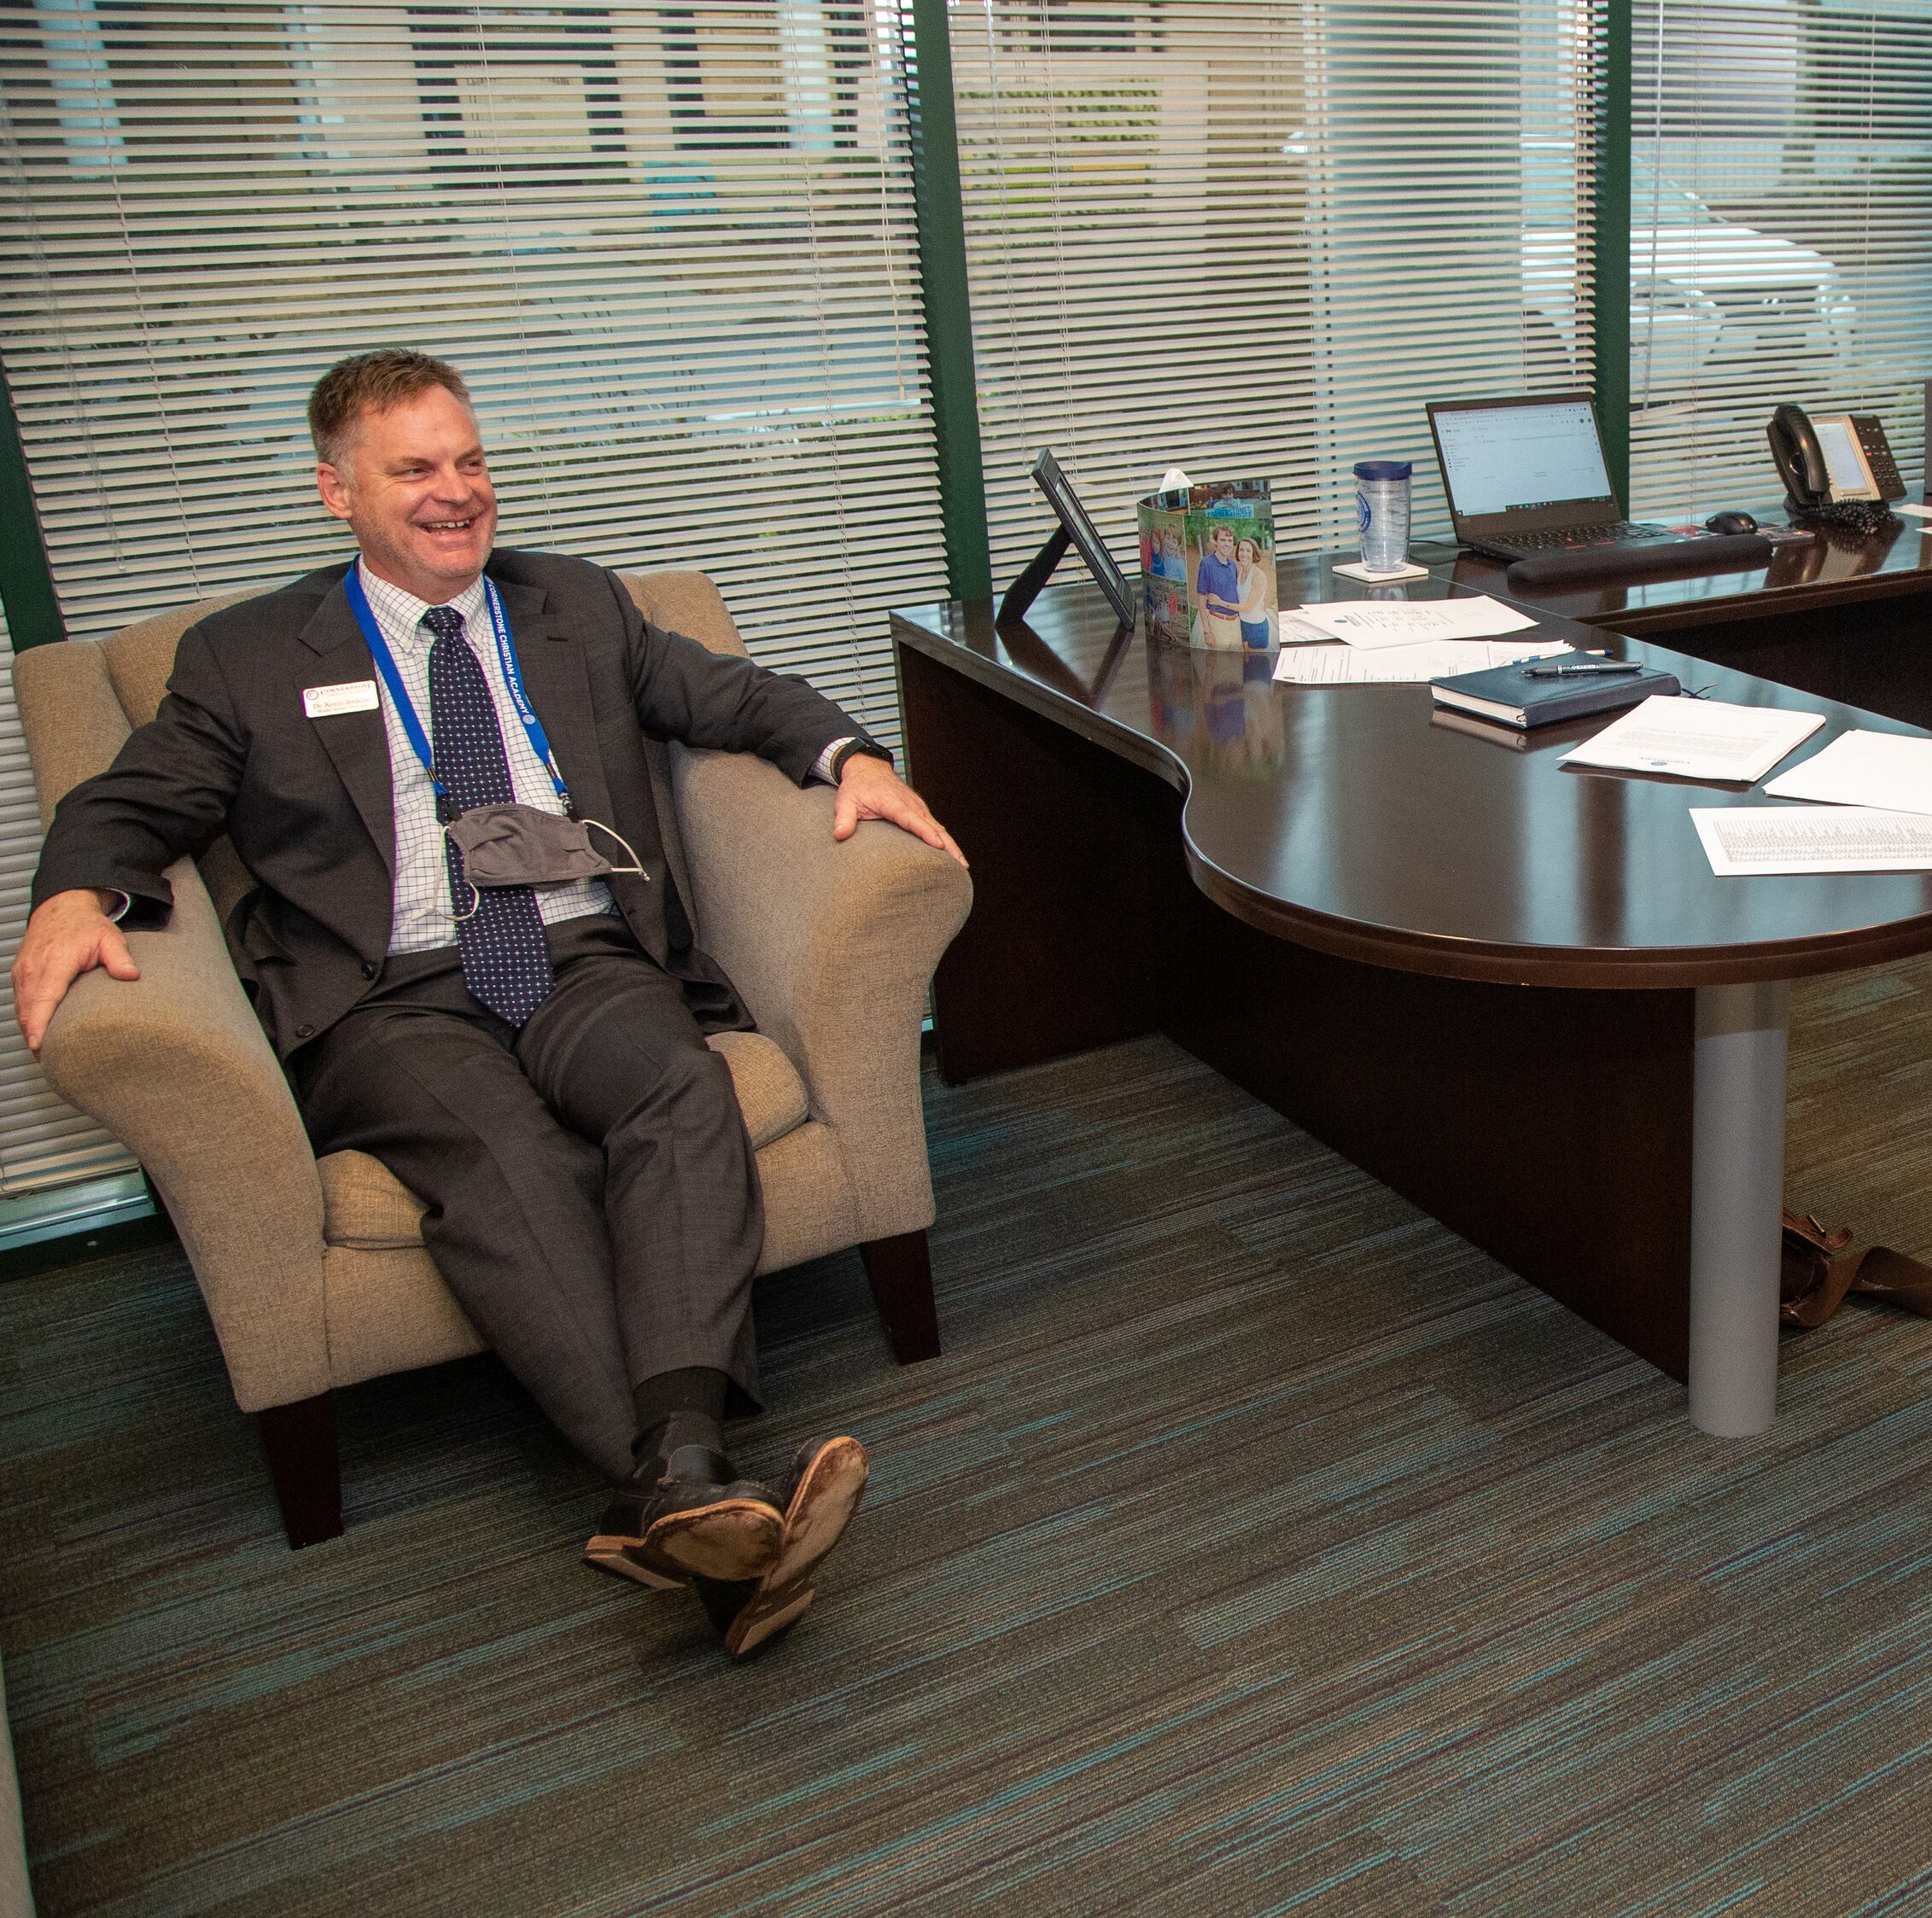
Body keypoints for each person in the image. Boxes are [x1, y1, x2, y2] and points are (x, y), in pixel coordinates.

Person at [14, 349, 970, 1660]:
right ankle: (699, 1492)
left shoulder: (574, 604)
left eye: (470, 461)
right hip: (387, 997)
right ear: (336, 490)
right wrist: (80, 893)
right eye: (416, 468)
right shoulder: (244, 657)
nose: (457, 492)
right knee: (503, 1155)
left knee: (679, 1083)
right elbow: (129, 803)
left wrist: (852, 753)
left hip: (577, 953)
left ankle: (678, 1481)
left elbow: (733, 693)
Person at [1195, 525, 1244, 647]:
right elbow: (1201, 600)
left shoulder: (1232, 565)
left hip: (1235, 623)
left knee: (1238, 665)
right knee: (1219, 665)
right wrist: (1207, 632)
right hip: (1217, 623)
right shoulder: (1207, 564)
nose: (1227, 544)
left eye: (1230, 541)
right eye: (1223, 540)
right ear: (1215, 542)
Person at [1236, 535, 1275, 649]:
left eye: (1248, 551)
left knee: (1257, 664)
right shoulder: (1240, 571)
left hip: (1256, 626)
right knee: (1246, 662)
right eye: (1241, 550)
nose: (1244, 554)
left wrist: (1220, 603)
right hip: (1243, 623)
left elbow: (1248, 608)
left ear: (1254, 554)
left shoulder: (1258, 576)